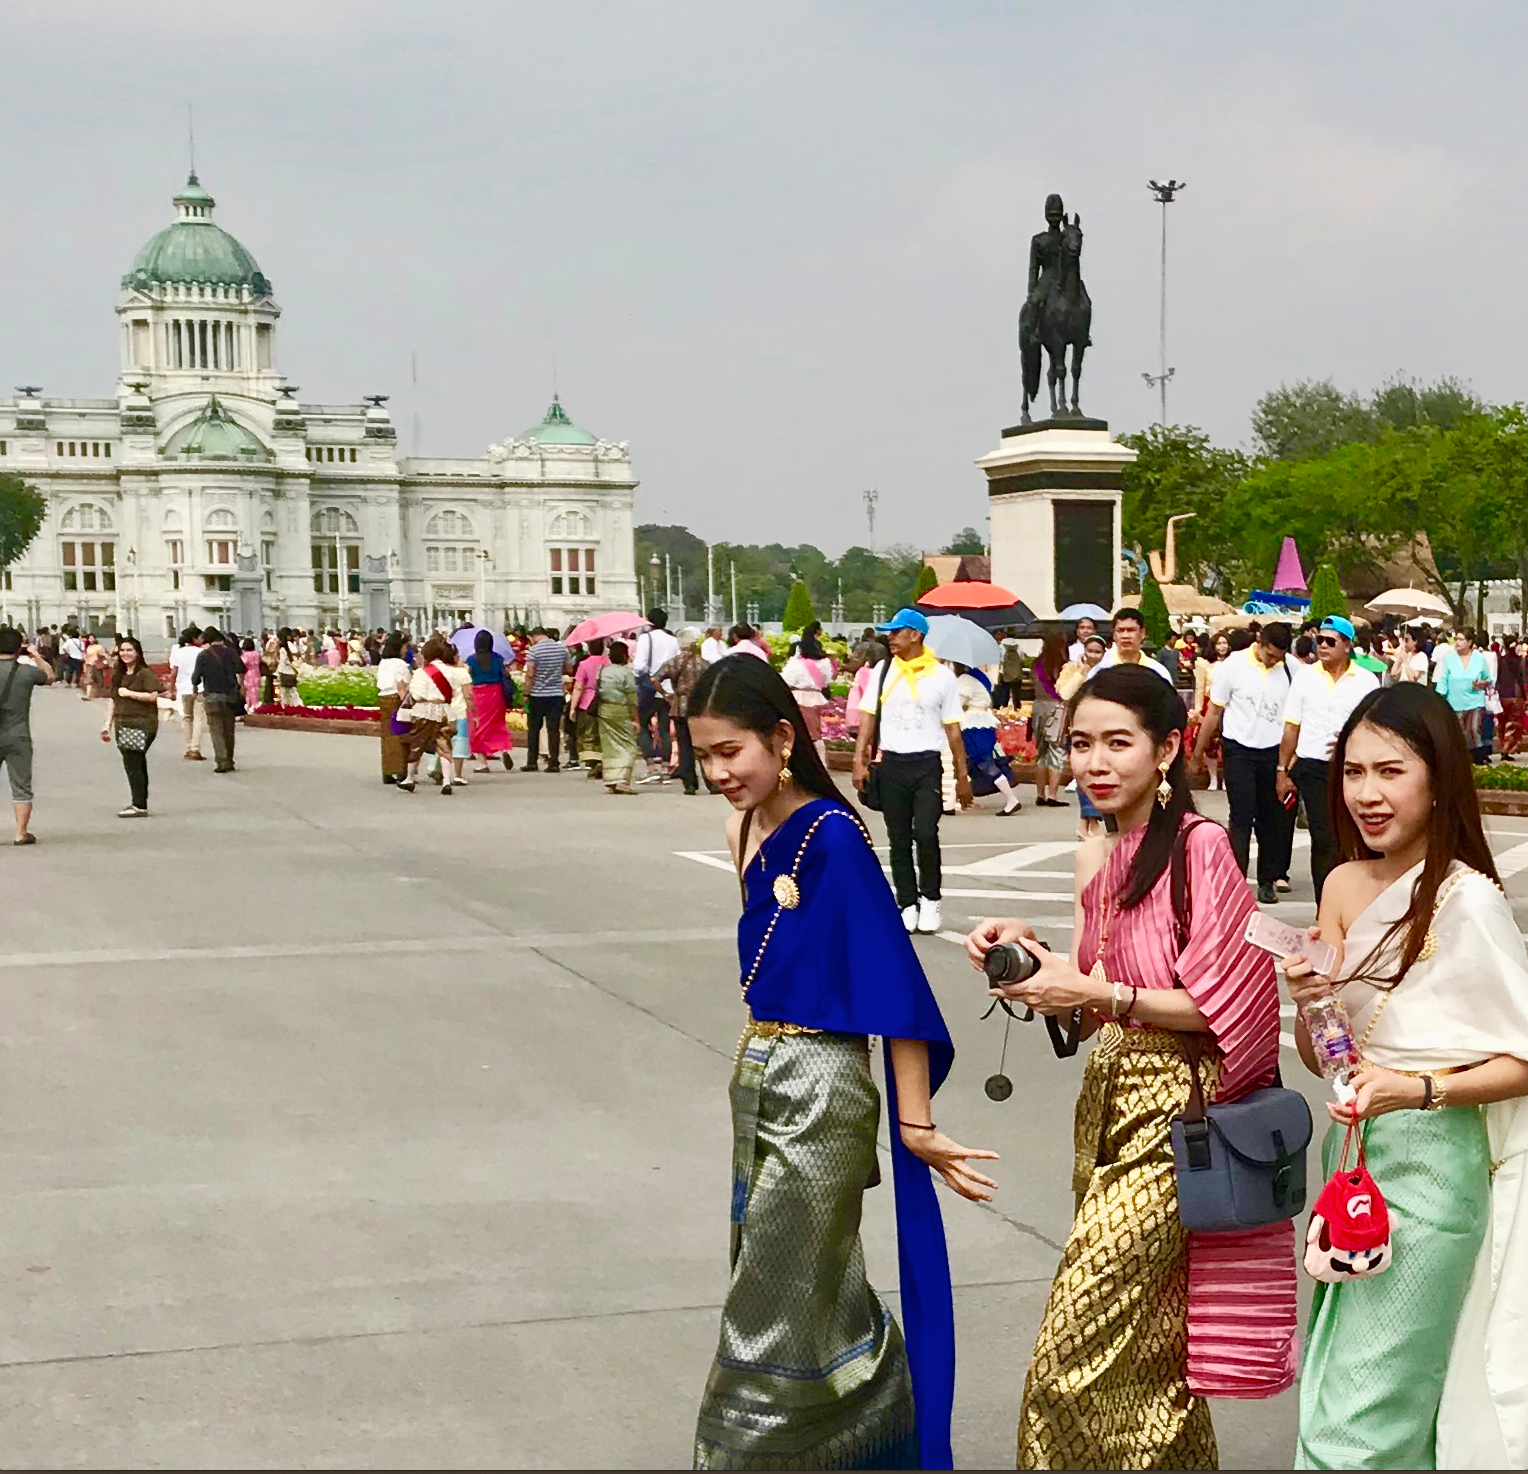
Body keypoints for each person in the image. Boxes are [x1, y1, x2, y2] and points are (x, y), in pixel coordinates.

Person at [966, 664, 1294, 1468]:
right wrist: (1030, 963)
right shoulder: (1098, 858)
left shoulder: (1202, 848)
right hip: (1109, 1103)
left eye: (1119, 743)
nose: (1095, 763)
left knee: (1069, 1355)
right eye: (1080, 744)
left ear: (1169, 749)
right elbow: (1088, 1013)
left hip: (1181, 1116)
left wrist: (1098, 988)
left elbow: (1220, 1008)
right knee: (1147, 1343)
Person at [687, 653, 996, 1471]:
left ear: (781, 738)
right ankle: (862, 1441)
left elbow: (889, 982)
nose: (718, 772)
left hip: (823, 1088)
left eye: (731, 752)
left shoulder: (833, 836)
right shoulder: (740, 828)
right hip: (758, 1077)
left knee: (775, 1305)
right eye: (704, 755)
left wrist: (918, 1122)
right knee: (800, 1293)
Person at [1282, 684, 1528, 1468]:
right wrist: (1313, 1001)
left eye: (1390, 771)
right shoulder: (1345, 884)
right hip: (1353, 1162)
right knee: (1351, 1389)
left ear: (1436, 778)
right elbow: (1329, 1055)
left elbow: (1523, 1059)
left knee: (1361, 1420)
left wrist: (1416, 1089)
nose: (1367, 794)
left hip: (1434, 1170)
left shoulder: (1468, 900)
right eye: (1353, 773)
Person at [851, 608, 970, 935]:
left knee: (926, 833)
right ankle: (907, 902)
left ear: (915, 635)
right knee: (898, 837)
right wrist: (858, 760)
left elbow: (954, 731)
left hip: (926, 765)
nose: (890, 637)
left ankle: (930, 898)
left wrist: (962, 776)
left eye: (896, 631)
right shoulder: (881, 671)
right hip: (891, 765)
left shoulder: (941, 676)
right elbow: (867, 720)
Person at [1192, 621, 1297, 905]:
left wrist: (1289, 762)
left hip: (1273, 753)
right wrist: (1198, 751)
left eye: (1279, 656)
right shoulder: (1233, 666)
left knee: (1270, 819)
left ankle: (1267, 880)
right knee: (1241, 817)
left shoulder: (1291, 670)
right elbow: (1214, 712)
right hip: (1239, 749)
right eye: (1270, 655)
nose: (1274, 660)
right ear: (1260, 643)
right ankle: (1236, 880)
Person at [1278, 615, 1381, 903]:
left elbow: (1375, 725)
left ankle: (1355, 899)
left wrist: (1350, 741)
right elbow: (1291, 726)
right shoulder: (1305, 677)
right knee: (1323, 837)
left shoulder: (1365, 681)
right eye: (1318, 640)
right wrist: (1281, 769)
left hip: (1353, 767)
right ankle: (1325, 905)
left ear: (1347, 645)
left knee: (1353, 834)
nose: (1321, 646)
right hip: (1313, 767)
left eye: (1329, 641)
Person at [0, 628, 53, 844]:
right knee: (21, 785)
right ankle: (21, 833)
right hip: (18, 734)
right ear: (18, 647)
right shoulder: (26, 672)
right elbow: (50, 676)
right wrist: (36, 655)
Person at [101, 636, 160, 817]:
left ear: (137, 652)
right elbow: (113, 699)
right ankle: (139, 802)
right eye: (123, 650)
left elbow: (153, 696)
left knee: (133, 761)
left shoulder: (144, 673)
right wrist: (107, 723)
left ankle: (139, 804)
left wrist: (130, 693)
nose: (125, 654)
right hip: (123, 722)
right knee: (135, 761)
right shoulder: (119, 674)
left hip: (141, 721)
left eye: (129, 650)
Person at [954, 664, 1022, 816]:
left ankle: (1011, 799)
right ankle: (966, 799)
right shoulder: (982, 676)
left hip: (973, 723)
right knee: (981, 761)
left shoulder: (966, 680)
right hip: (985, 721)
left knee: (983, 762)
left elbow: (957, 703)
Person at [654, 629, 713, 795]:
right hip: (699, 708)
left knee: (684, 746)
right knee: (703, 746)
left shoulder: (674, 662)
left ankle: (690, 784)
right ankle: (711, 782)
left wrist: (666, 694)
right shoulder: (703, 663)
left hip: (679, 706)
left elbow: (654, 678)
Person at [398, 634, 457, 794]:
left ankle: (410, 778)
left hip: (425, 711)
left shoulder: (422, 672)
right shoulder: (451, 671)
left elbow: (416, 694)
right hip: (445, 710)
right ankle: (446, 781)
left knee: (417, 744)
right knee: (444, 745)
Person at [632, 610, 680, 778]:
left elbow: (640, 666)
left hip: (650, 688)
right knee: (665, 729)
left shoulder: (646, 639)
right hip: (668, 690)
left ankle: (651, 766)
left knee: (643, 726)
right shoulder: (673, 640)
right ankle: (666, 767)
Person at [1435, 626, 1493, 764]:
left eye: (1461, 639)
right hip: (1455, 703)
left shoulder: (1479, 659)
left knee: (1473, 730)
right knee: (1459, 733)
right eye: (1456, 639)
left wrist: (1482, 683)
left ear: (1469, 642)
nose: (1457, 642)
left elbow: (1489, 678)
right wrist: (1438, 697)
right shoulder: (1449, 659)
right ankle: (1461, 759)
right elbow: (1443, 680)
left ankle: (1478, 758)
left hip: (1475, 701)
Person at [780, 622, 834, 763]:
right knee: (815, 733)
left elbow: (786, 680)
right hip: (816, 696)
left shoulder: (796, 663)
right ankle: (820, 762)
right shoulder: (824, 663)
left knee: (798, 731)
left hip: (799, 696)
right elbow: (827, 681)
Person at [520, 627, 572, 773]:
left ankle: (532, 762)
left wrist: (525, 693)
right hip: (556, 694)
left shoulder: (534, 651)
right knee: (553, 729)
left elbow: (530, 674)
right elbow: (568, 669)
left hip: (537, 695)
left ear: (534, 636)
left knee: (534, 729)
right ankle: (554, 762)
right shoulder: (561, 649)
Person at [192, 626, 242, 773]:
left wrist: (195, 689)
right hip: (230, 697)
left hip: (212, 697)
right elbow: (240, 670)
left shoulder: (203, 655)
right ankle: (230, 760)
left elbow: (196, 677)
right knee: (229, 731)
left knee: (216, 730)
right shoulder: (231, 653)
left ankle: (221, 761)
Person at [465, 631, 515, 774]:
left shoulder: (471, 660)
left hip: (479, 694)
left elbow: (467, 677)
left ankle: (482, 763)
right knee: (498, 723)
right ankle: (503, 749)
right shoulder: (498, 658)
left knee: (478, 726)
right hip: (496, 693)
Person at [1030, 630, 1068, 807]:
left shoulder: (1037, 664)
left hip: (1038, 707)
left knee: (1041, 753)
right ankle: (1052, 794)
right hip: (1056, 707)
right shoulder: (1061, 665)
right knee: (1056, 751)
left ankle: (1040, 793)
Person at [596, 639, 640, 794]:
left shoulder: (603, 670)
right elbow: (631, 698)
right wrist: (636, 719)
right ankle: (622, 779)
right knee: (628, 745)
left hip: (604, 710)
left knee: (609, 744)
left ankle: (611, 778)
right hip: (620, 711)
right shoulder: (626, 673)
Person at [1093, 607, 1174, 682]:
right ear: (1114, 634)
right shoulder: (1101, 671)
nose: (1125, 636)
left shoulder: (1158, 672)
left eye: (1131, 630)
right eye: (1120, 630)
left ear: (1142, 633)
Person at [569, 637, 610, 779]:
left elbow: (578, 687)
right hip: (606, 699)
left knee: (588, 734)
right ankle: (604, 761)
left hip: (587, 701)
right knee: (603, 733)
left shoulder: (584, 664)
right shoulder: (608, 662)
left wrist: (573, 707)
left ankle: (594, 763)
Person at [374, 632, 412, 784]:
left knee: (386, 735)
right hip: (397, 699)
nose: (406, 650)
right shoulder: (401, 664)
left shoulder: (383, 662)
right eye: (405, 646)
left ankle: (387, 770)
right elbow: (403, 686)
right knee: (400, 735)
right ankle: (400, 770)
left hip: (383, 698)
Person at [170, 628, 207, 761]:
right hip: (199, 688)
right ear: (194, 638)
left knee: (187, 718)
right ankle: (195, 748)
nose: (202, 640)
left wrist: (171, 689)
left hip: (184, 688)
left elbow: (174, 672)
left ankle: (188, 746)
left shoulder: (178, 653)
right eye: (200, 637)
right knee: (198, 718)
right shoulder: (202, 652)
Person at [1499, 638, 1526, 759]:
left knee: (1502, 722)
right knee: (1514, 723)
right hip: (1516, 695)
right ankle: (1508, 748)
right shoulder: (1520, 661)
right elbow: (1523, 678)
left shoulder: (1501, 660)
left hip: (1502, 695)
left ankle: (1503, 746)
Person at [994, 628, 1026, 709]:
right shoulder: (1019, 647)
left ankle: (1003, 708)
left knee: (1003, 693)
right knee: (1016, 694)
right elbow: (1022, 659)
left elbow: (998, 660)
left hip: (1004, 674)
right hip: (1016, 674)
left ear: (1005, 635)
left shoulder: (1001, 646)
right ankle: (1017, 708)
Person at [239, 638, 262, 711]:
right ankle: (254, 704)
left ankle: (250, 705)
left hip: (248, 673)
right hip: (257, 672)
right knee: (255, 690)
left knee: (249, 690)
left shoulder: (245, 655)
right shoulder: (256, 653)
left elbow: (242, 663)